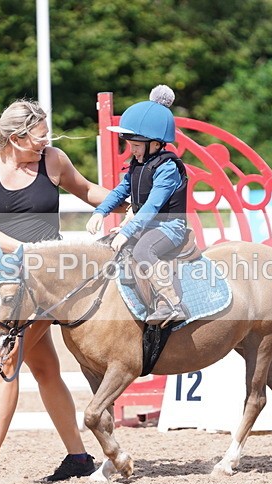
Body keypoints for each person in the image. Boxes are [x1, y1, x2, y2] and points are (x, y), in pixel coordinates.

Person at [0, 99, 116, 484]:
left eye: (47, 137)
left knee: (6, 363)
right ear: (16, 136)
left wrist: (130, 201)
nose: (46, 143)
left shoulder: (54, 160)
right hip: (8, 276)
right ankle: (78, 457)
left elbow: (88, 189)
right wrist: (23, 252)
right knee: (43, 368)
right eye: (39, 137)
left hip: (48, 283)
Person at [87, 85, 189, 326]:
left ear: (155, 144)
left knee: (144, 250)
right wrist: (100, 211)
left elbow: (152, 207)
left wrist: (126, 231)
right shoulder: (138, 164)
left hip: (169, 227)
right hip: (147, 225)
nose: (130, 149)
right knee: (107, 247)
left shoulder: (167, 168)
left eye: (135, 144)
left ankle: (172, 303)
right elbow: (121, 190)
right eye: (129, 143)